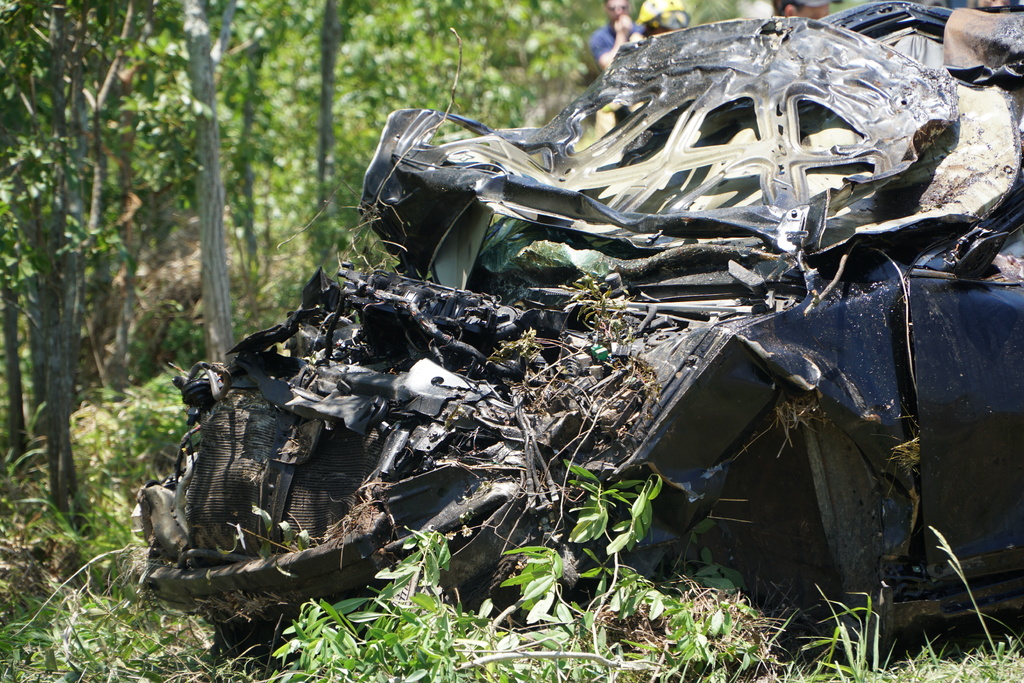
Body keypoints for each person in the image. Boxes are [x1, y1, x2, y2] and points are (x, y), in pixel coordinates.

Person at [590, 0, 638, 70]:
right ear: (605, 9)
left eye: (623, 7)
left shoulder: (642, 30)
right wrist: (621, 35)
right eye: (612, 8)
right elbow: (607, 66)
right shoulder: (599, 37)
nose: (618, 12)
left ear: (630, 7)